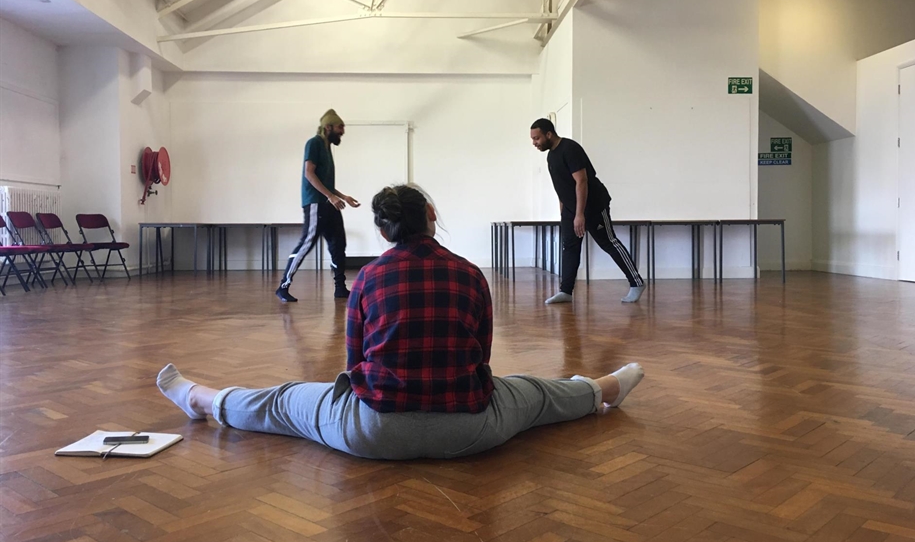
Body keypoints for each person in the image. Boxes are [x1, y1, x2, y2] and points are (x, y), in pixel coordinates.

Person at [160, 184, 644, 460]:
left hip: (373, 431)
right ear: (431, 215)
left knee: (285, 400)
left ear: (381, 230)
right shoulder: (471, 274)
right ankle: (602, 391)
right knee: (533, 391)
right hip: (471, 430)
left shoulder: (368, 278)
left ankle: (201, 399)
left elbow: (354, 367)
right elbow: (483, 357)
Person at [530, 118, 645, 304]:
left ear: (548, 134)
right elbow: (561, 186)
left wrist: (579, 214)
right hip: (570, 210)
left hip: (593, 206)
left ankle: (636, 283)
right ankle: (566, 291)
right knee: (570, 247)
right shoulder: (551, 155)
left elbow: (581, 181)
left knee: (609, 242)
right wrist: (565, 212)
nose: (534, 143)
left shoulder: (570, 149)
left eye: (537, 138)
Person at [276, 109, 360, 303]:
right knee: (306, 244)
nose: (342, 131)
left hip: (328, 202)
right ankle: (283, 287)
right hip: (316, 204)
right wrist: (330, 196)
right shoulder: (314, 143)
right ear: (328, 127)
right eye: (340, 127)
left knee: (338, 245)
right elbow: (309, 174)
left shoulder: (327, 147)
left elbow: (325, 182)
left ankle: (340, 288)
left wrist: (343, 196)